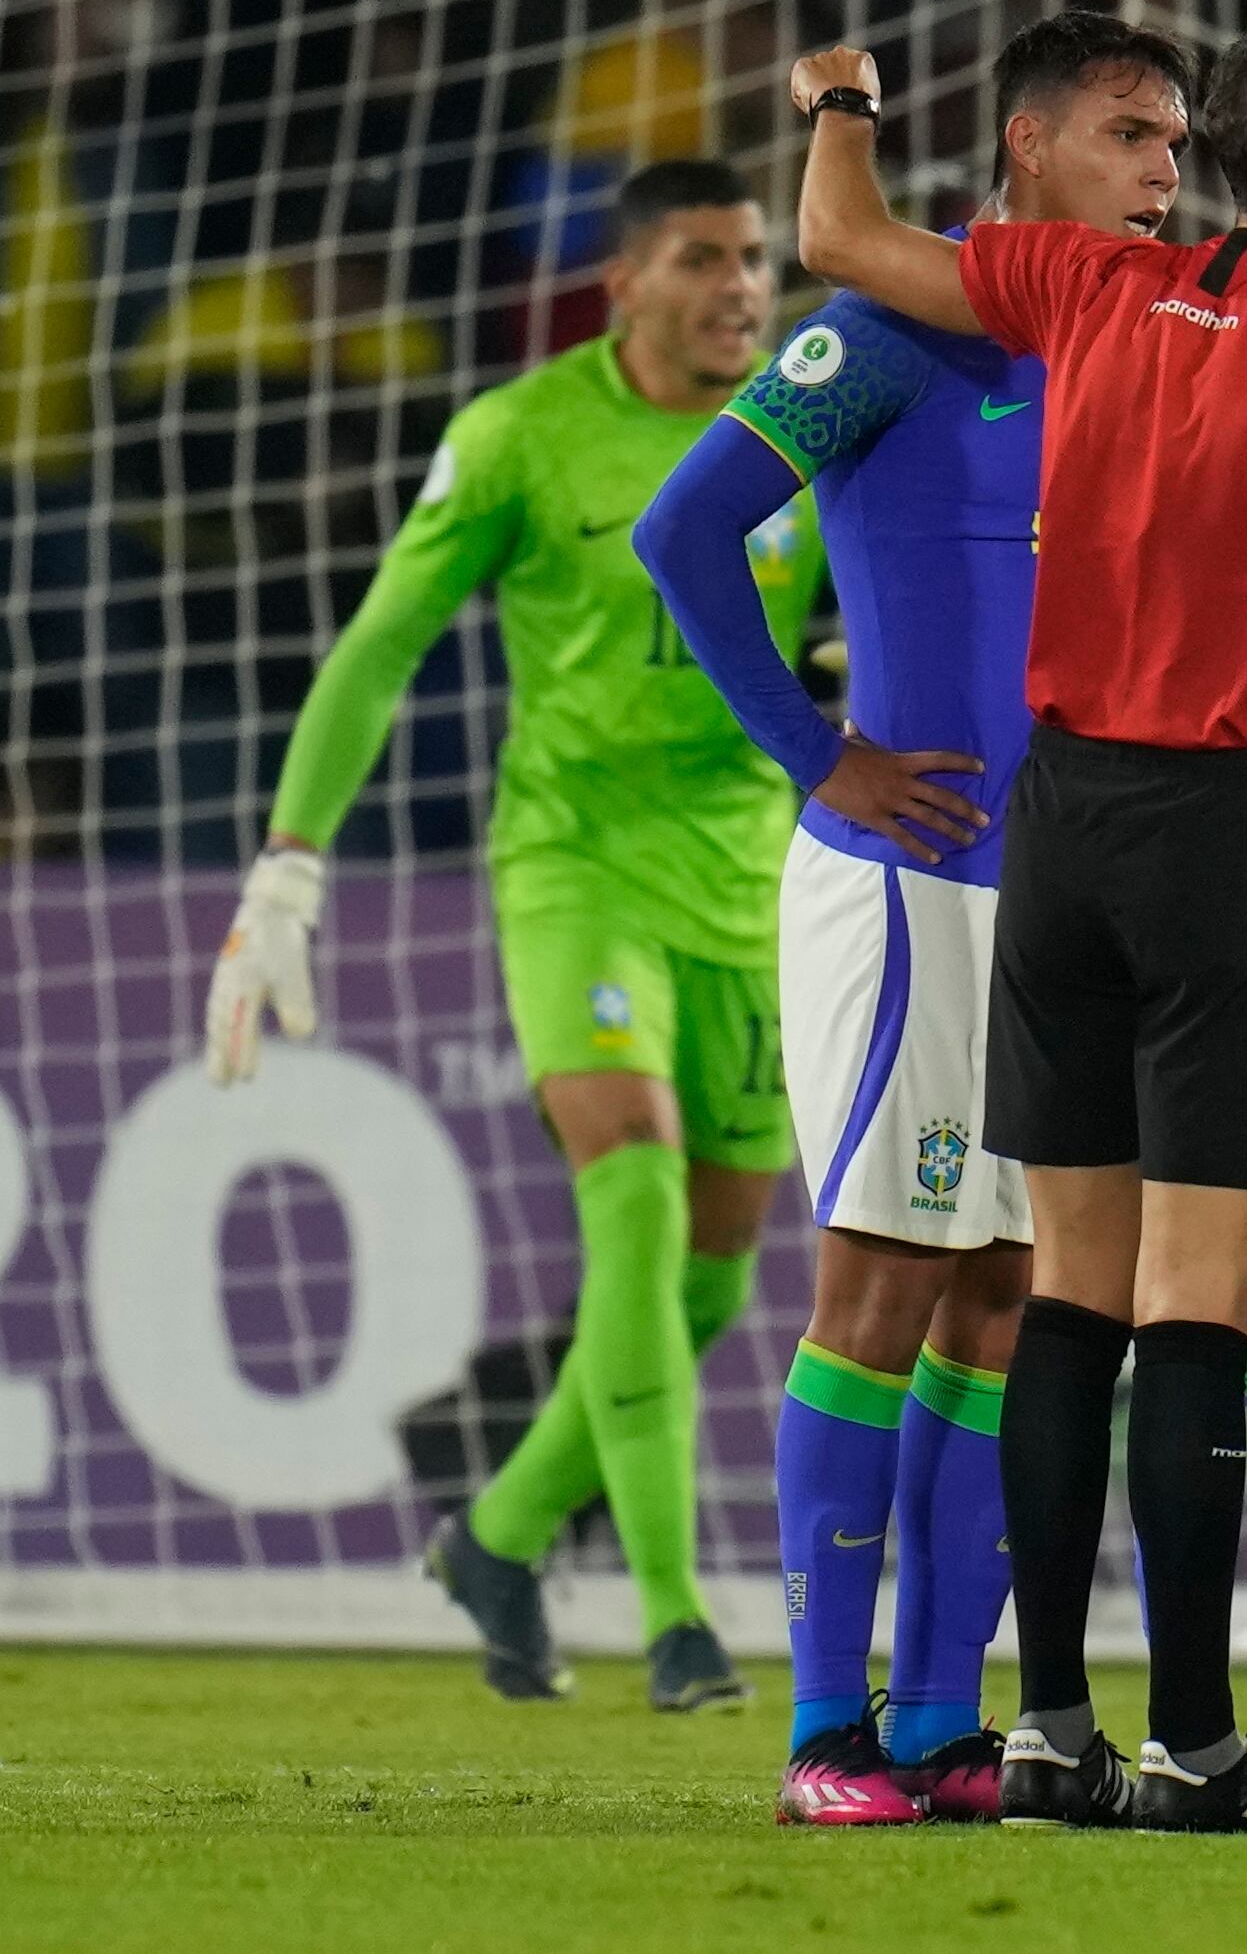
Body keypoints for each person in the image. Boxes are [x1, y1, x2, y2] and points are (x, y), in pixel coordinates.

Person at [784, 20, 1247, 1835]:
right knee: (1200, 1308)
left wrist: (838, 104)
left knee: (1066, 1295)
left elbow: (840, 237)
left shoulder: (1089, 281)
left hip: (1060, 818)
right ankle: (1197, 1742)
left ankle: (1047, 1728)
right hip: (1232, 827)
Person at [631, 11, 1195, 1826]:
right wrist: (817, 755)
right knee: (878, 1281)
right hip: (903, 885)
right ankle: (820, 1726)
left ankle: (946, 1717)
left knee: (1013, 1296)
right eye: (1130, 137)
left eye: (1177, 145)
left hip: (1062, 889)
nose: (1163, 175)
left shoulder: (1132, 350)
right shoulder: (875, 337)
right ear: (1030, 150)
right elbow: (684, 532)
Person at [203, 160, 811, 1713]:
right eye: (700, 259)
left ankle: (498, 1534)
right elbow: (377, 648)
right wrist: (288, 869)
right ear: (622, 282)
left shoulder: (814, 422)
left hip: (753, 881)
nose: (739, 286)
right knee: (635, 1216)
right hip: (576, 868)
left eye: (753, 257)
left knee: (714, 1287)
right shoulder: (518, 438)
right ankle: (677, 1618)